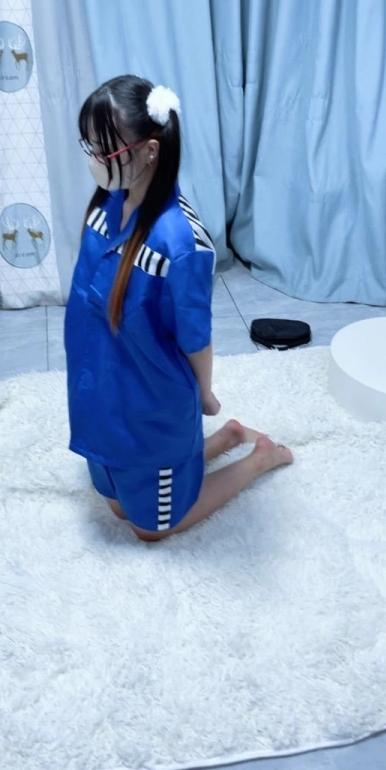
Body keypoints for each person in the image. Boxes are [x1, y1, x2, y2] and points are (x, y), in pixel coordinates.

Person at [64, 74, 292, 541]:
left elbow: (195, 337)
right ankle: (225, 438)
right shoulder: (105, 208)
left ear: (149, 151)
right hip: (100, 393)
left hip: (150, 404)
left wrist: (205, 394)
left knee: (151, 529)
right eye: (89, 147)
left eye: (104, 151)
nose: (93, 162)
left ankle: (258, 458)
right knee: (117, 507)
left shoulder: (180, 243)